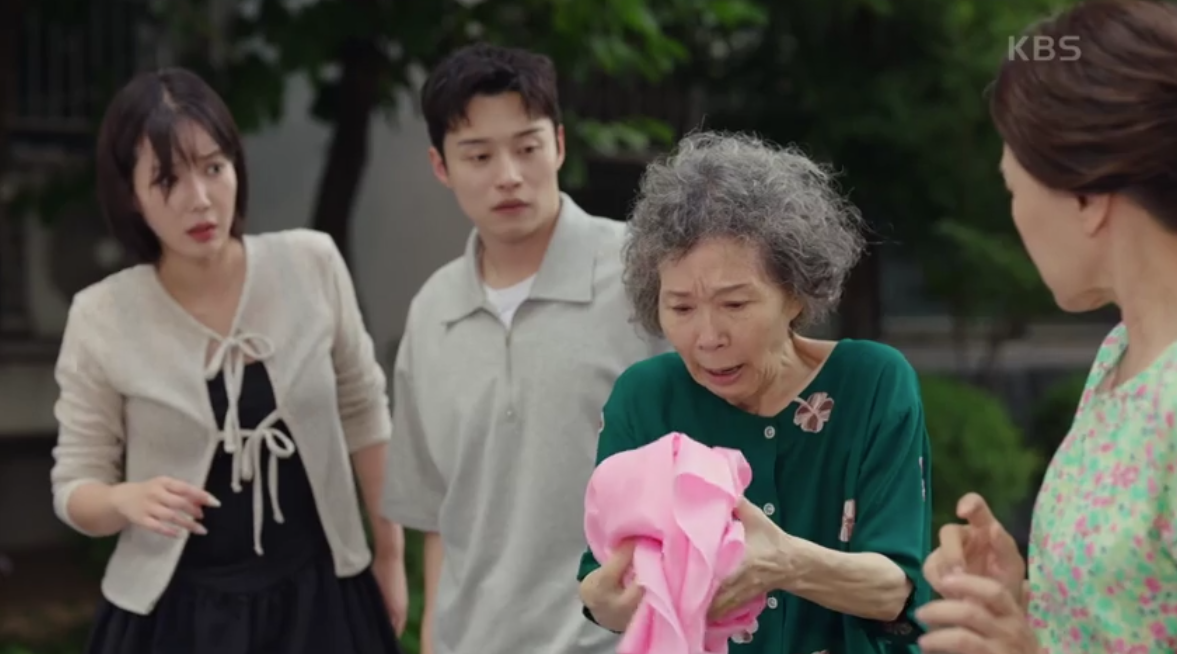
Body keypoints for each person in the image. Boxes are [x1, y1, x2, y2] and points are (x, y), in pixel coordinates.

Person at [49, 67, 406, 654]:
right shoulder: (103, 315)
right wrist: (121, 500)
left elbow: (364, 413)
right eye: (167, 179)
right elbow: (74, 485)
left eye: (214, 168)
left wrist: (388, 555)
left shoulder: (311, 263)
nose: (199, 199)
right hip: (173, 617)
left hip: (321, 598)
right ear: (131, 195)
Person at [577, 130, 934, 653]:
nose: (708, 336)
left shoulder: (872, 383)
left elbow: (895, 589)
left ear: (795, 293)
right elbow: (602, 586)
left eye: (735, 304)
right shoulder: (645, 398)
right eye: (681, 308)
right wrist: (613, 598)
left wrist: (785, 562)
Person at [380, 43, 665, 654]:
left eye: (527, 147)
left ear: (558, 144)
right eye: (479, 155)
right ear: (440, 165)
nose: (507, 174)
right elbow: (438, 521)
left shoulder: (646, 279)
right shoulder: (432, 313)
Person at [914, 1, 1177, 653]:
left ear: (1085, 198)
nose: (1015, 216)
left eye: (1013, 189)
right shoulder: (1120, 353)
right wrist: (1025, 599)